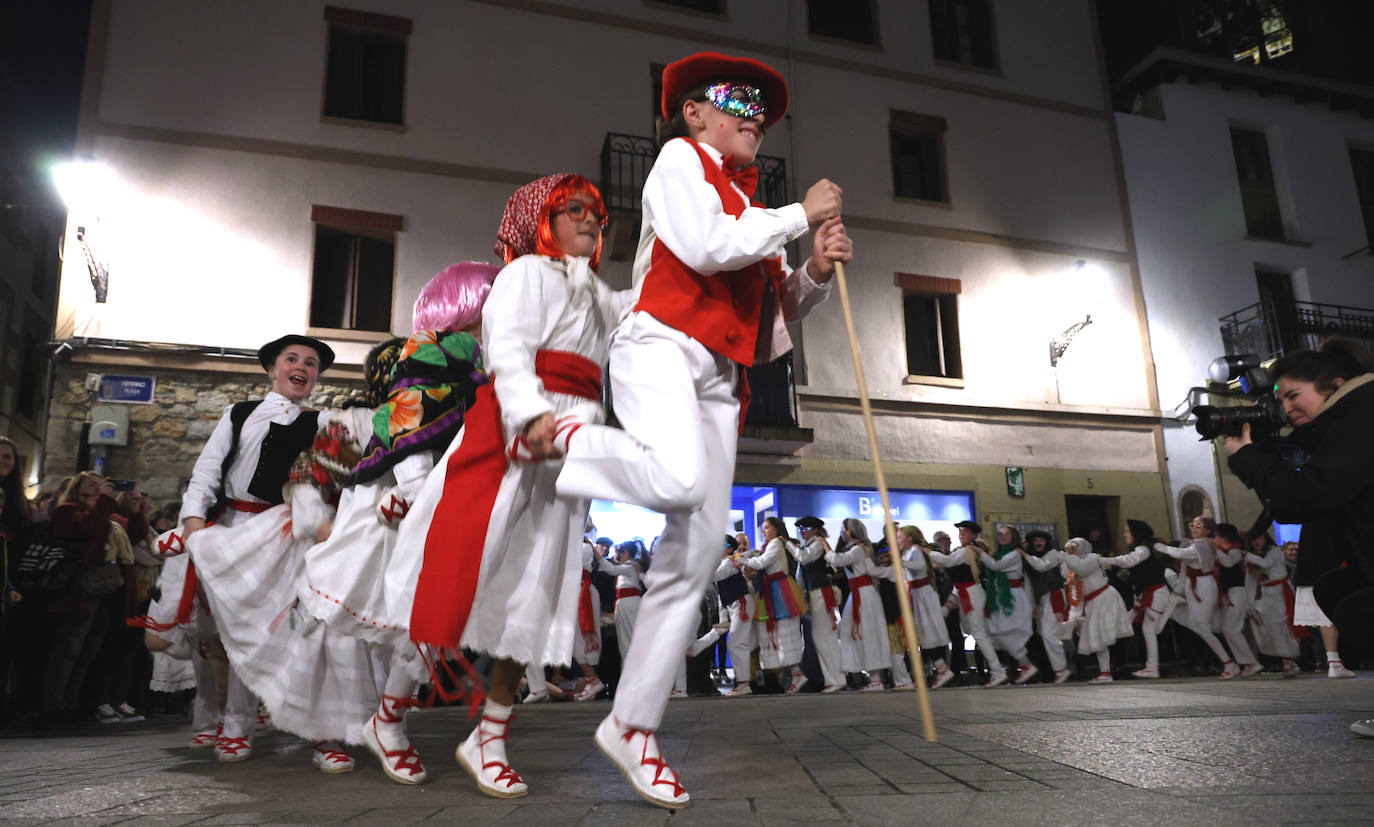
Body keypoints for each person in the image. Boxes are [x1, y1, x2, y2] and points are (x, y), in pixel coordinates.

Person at [552, 50, 851, 810]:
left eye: (764, 112)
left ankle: (632, 723)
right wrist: (800, 214)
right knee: (681, 478)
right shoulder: (679, 162)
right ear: (694, 112)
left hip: (722, 376)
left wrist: (814, 269)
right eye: (739, 102)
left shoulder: (752, 206)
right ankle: (562, 445)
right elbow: (706, 247)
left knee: (695, 552)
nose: (756, 117)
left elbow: (775, 305)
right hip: (659, 344)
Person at [383, 173, 628, 800]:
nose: (590, 220)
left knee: (535, 591)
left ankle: (489, 736)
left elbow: (649, 308)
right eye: (574, 210)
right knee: (458, 574)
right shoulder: (524, 274)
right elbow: (510, 353)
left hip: (565, 454)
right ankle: (388, 717)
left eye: (596, 214)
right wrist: (530, 414)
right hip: (508, 440)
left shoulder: (602, 296)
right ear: (543, 221)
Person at [297, 262, 496, 783]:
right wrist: (415, 491)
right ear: (470, 306)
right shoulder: (434, 351)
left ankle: (386, 721)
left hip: (437, 497)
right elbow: (410, 421)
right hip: (403, 502)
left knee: (430, 620)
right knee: (416, 617)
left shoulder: (477, 358)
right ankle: (372, 725)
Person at [140, 333, 335, 759]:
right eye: (292, 359)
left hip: (281, 534)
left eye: (311, 363)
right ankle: (228, 723)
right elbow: (207, 469)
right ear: (272, 369)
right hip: (229, 528)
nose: (302, 367)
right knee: (225, 634)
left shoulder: (320, 423)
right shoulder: (240, 413)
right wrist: (194, 522)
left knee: (283, 630)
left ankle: (303, 728)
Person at [1225, 337, 1374, 731]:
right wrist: (1259, 454)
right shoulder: (1343, 423)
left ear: (1335, 386)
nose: (1287, 409)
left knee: (1357, 613)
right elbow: (1295, 505)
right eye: (1281, 400)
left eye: (1294, 396)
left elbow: (1314, 490)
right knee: (1334, 594)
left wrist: (1251, 460)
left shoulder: (1363, 414)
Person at [1153, 517, 1257, 679]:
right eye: (1191, 524)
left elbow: (1183, 554)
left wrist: (1161, 547)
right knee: (1211, 628)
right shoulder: (1196, 545)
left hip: (1209, 589)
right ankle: (1235, 663)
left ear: (1210, 531)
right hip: (1201, 589)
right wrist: (1178, 593)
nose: (1194, 527)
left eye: (1198, 525)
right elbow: (1184, 568)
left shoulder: (1206, 546)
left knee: (1219, 629)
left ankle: (1234, 663)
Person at [1100, 519, 1177, 678]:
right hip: (1148, 595)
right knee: (1132, 624)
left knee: (1149, 629)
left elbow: (1127, 561)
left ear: (1136, 534)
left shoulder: (1142, 550)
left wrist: (1101, 559)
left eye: (1128, 531)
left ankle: (1152, 668)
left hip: (1156, 594)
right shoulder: (1144, 549)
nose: (1125, 534)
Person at [928, 520, 1001, 686]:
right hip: (964, 594)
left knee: (978, 634)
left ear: (974, 535)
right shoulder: (963, 551)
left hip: (972, 594)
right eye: (960, 531)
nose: (961, 534)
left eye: (965, 531)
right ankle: (995, 671)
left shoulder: (967, 551)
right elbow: (959, 581)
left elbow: (948, 562)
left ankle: (997, 671)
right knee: (975, 633)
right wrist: (950, 602)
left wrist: (927, 552)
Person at [741, 516, 807, 693]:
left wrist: (741, 558)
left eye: (767, 527)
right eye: (763, 528)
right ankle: (792, 674)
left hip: (778, 591)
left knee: (782, 634)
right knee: (778, 633)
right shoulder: (771, 546)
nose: (763, 531)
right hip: (773, 590)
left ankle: (796, 674)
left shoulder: (775, 544)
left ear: (776, 529)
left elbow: (761, 563)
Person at [826, 520, 892, 691]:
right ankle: (872, 677)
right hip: (859, 594)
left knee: (866, 633)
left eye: (843, 529)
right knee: (857, 632)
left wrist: (825, 546)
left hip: (863, 595)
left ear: (849, 532)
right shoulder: (859, 548)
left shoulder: (857, 549)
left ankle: (875, 678)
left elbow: (838, 560)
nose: (842, 533)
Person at [1060, 538, 1133, 682]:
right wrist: (1074, 618)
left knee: (1102, 636)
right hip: (1093, 603)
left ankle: (1110, 671)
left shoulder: (1091, 559)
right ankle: (1105, 673)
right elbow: (1076, 596)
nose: (1070, 551)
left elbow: (1082, 569)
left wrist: (1065, 557)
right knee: (1098, 638)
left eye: (1073, 548)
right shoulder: (1072, 570)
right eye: (1068, 549)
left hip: (1105, 599)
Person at [894, 525, 954, 689]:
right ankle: (940, 668)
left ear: (909, 538)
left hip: (923, 596)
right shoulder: (908, 553)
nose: (898, 540)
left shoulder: (915, 551)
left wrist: (901, 562)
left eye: (900, 537)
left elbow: (919, 566)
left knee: (927, 631)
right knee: (924, 633)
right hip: (918, 595)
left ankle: (941, 669)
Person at [978, 526, 1039, 685]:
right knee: (994, 631)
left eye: (1007, 534)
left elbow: (995, 566)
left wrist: (980, 553)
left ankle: (1024, 665)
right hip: (1001, 596)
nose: (1003, 536)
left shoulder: (1014, 554)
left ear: (1014, 537)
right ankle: (1016, 667)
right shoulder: (1000, 554)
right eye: (1000, 534)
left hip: (1012, 597)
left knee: (1005, 631)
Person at [791, 516, 845, 693]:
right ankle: (832, 679)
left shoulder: (817, 544)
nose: (802, 531)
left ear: (815, 530)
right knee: (822, 639)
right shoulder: (811, 544)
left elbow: (803, 558)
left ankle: (836, 679)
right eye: (801, 529)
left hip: (821, 593)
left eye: (806, 528)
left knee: (825, 638)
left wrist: (788, 545)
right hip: (815, 593)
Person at [1243, 532, 1300, 676]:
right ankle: (1286, 660)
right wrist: (1249, 602)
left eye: (1259, 538)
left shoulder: (1274, 551)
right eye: (1253, 539)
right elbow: (1250, 580)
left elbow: (1266, 563)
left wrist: (1246, 554)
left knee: (1282, 625)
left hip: (1281, 591)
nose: (1256, 541)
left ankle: (1289, 660)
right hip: (1266, 593)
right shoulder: (1253, 557)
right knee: (1271, 627)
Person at [1019, 530, 1070, 684]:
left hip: (1054, 596)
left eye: (1041, 540)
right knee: (1044, 634)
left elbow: (1042, 566)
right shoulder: (1030, 561)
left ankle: (1061, 669)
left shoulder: (1053, 554)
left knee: (1049, 634)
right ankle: (1057, 670)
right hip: (1042, 599)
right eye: (1035, 541)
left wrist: (1025, 554)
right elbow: (1029, 584)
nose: (1038, 543)